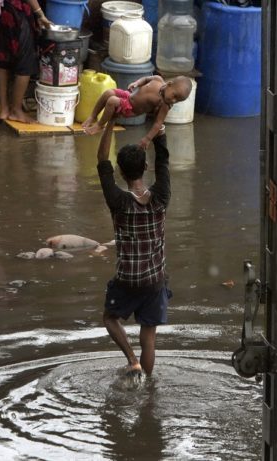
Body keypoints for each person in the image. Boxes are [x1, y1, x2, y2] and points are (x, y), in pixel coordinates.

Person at [95, 118, 172, 379]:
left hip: (128, 278)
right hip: (154, 280)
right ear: (145, 167)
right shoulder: (161, 198)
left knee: (109, 318)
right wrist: (159, 133)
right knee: (148, 335)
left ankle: (132, 361)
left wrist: (110, 122)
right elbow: (164, 162)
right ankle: (148, 389)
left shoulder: (118, 202)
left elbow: (102, 162)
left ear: (121, 172)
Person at [83, 75, 192, 150]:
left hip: (131, 108)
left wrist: (148, 138)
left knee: (112, 101)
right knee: (108, 93)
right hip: (129, 96)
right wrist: (137, 83)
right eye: (174, 96)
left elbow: (158, 123)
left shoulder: (164, 104)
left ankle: (100, 125)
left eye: (177, 101)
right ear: (169, 84)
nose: (173, 100)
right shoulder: (158, 79)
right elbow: (145, 79)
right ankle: (93, 116)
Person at [0, 0, 51, 123]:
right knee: (26, 63)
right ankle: (16, 111)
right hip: (16, 13)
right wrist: (39, 13)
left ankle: (4, 109)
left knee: (3, 59)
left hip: (0, 11)